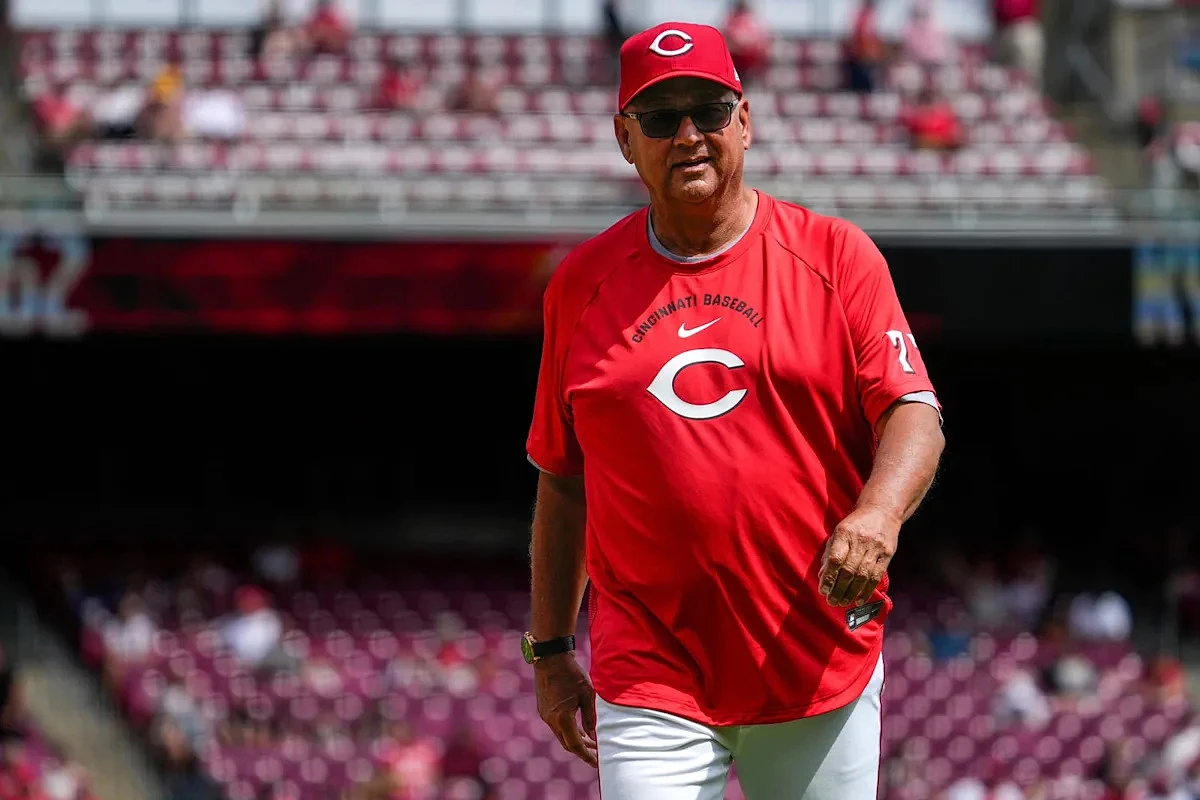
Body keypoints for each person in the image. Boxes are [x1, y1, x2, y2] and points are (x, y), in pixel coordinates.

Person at [524, 21, 944, 799]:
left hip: (814, 650)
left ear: (744, 122)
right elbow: (563, 477)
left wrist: (879, 515)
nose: (688, 135)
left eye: (709, 110)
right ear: (625, 138)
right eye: (660, 117)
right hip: (651, 669)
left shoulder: (836, 255)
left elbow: (912, 409)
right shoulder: (579, 285)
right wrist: (550, 651)